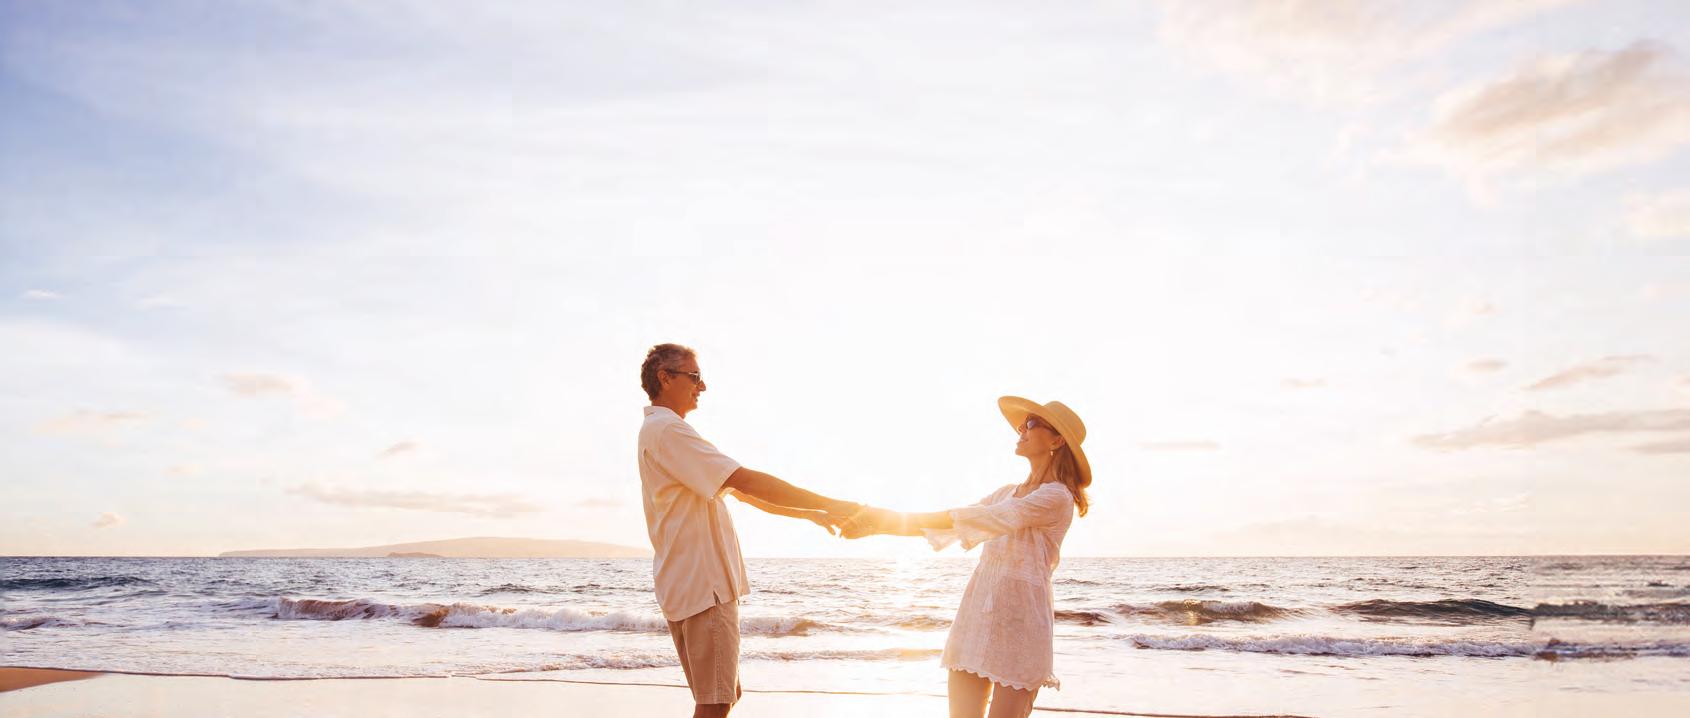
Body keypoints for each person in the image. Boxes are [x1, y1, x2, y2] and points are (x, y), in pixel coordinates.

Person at [637, 343, 862, 718]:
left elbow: (739, 491)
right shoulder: (669, 430)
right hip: (703, 586)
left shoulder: (660, 431)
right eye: (694, 376)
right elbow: (746, 480)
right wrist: (834, 503)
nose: (702, 386)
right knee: (716, 701)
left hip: (687, 584)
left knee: (724, 694)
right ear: (665, 378)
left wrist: (813, 512)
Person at [842, 396, 1091, 718]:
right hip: (977, 615)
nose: (1021, 430)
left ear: (1056, 440)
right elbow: (954, 524)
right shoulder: (1004, 493)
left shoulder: (1056, 496)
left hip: (1021, 624)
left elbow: (977, 519)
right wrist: (877, 527)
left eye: (1031, 424)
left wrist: (880, 516)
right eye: (1021, 425)